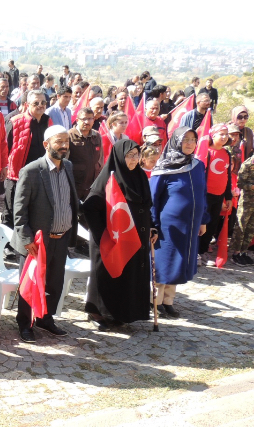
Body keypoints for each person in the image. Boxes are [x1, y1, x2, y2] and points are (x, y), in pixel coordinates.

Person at [12, 125, 79, 343]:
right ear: (46, 144)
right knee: (31, 284)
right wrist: (27, 240)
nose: (63, 146)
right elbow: (19, 210)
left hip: (60, 238)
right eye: (59, 142)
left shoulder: (68, 166)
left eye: (66, 142)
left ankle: (45, 318)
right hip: (37, 243)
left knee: (54, 283)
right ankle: (25, 323)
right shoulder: (31, 171)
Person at [82, 140, 153, 330]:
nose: (134, 159)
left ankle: (122, 313)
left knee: (129, 275)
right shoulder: (108, 179)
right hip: (110, 240)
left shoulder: (140, 177)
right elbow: (89, 208)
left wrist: (152, 227)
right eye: (130, 155)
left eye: (137, 155)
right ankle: (98, 312)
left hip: (134, 239)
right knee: (109, 275)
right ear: (119, 156)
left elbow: (146, 207)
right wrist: (103, 234)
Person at [150, 128, 209, 318]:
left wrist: (203, 220)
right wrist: (153, 224)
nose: (190, 144)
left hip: (190, 224)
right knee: (164, 261)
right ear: (176, 141)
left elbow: (202, 194)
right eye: (186, 140)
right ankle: (155, 301)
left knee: (179, 260)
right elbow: (153, 198)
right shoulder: (164, 167)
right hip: (167, 227)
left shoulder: (198, 165)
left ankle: (168, 301)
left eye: (193, 140)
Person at [3, 91, 52, 229]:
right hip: (17, 175)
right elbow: (4, 148)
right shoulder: (15, 121)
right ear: (26, 105)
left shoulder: (48, 121)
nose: (40, 105)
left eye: (43, 102)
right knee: (12, 212)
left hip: (40, 175)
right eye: (36, 103)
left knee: (33, 211)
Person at [198, 124, 232, 267]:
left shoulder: (226, 153)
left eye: (226, 134)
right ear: (213, 135)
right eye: (221, 134)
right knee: (202, 224)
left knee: (212, 225)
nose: (224, 137)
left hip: (219, 195)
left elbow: (227, 176)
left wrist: (228, 196)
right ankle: (197, 252)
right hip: (206, 195)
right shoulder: (207, 152)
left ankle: (204, 251)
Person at [68, 107, 103, 201]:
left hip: (93, 184)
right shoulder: (69, 136)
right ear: (77, 120)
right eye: (84, 119)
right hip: (75, 184)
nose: (87, 122)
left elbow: (100, 159)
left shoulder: (97, 136)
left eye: (90, 118)